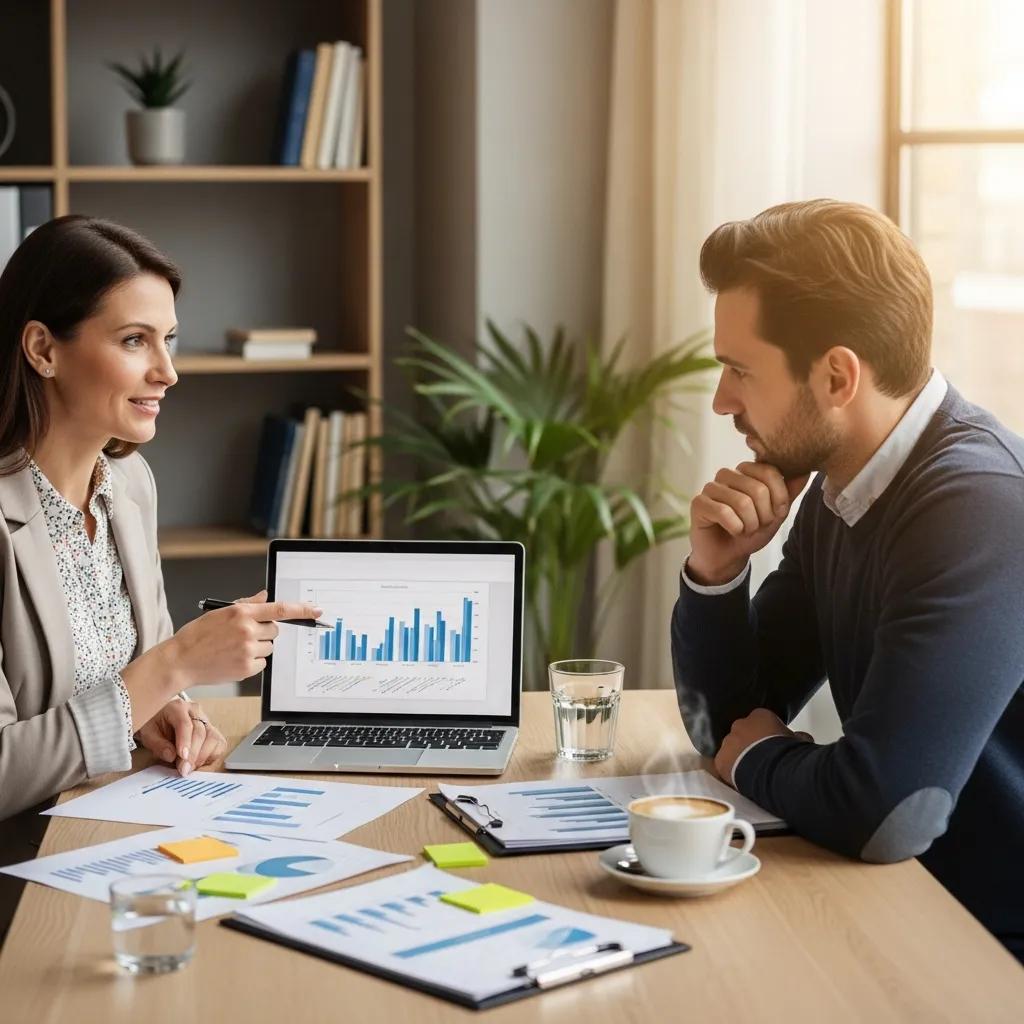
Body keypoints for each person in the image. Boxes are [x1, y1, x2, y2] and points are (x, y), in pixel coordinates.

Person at [671, 199, 1024, 963]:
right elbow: (723, 729)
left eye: (738, 370)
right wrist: (716, 574)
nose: (723, 401)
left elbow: (887, 812)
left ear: (836, 376)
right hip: (902, 902)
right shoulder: (844, 490)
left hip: (986, 944)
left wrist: (761, 758)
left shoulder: (978, 504)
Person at [0, 215, 322, 936]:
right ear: (43, 349)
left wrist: (163, 714)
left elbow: (116, 684)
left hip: (130, 839)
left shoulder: (129, 485)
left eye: (168, 340)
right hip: (29, 882)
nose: (167, 372)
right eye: (134, 341)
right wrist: (174, 666)